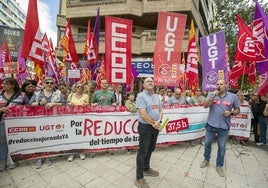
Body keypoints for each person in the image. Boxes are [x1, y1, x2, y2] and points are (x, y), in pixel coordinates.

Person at [200, 79, 240, 177]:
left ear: (226, 85)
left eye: (221, 84)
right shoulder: (211, 94)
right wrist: (213, 95)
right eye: (217, 84)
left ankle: (219, 165)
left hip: (224, 126)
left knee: (221, 147)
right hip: (211, 125)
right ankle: (206, 159)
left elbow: (237, 110)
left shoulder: (233, 96)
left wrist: (230, 113)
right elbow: (205, 106)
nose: (219, 85)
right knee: (208, 143)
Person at [29, 77, 65, 169]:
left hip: (53, 120)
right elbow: (30, 104)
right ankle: (39, 157)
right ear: (44, 84)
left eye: (51, 83)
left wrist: (53, 104)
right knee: (39, 138)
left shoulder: (58, 93)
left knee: (50, 138)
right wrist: (40, 104)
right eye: (47, 82)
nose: (49, 84)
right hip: (39, 119)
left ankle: (47, 156)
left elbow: (64, 103)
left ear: (54, 85)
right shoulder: (37, 93)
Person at [135, 77, 163, 188]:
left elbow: (160, 110)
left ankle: (146, 168)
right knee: (142, 152)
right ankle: (139, 177)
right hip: (145, 127)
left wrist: (159, 121)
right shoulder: (140, 96)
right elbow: (143, 114)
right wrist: (153, 123)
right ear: (144, 85)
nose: (150, 82)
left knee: (151, 148)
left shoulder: (156, 96)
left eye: (152, 81)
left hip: (155, 126)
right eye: (148, 81)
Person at [0, 77, 29, 171]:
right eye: (3, 83)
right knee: (3, 142)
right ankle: (2, 161)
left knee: (15, 141)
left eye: (6, 84)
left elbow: (28, 107)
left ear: (13, 85)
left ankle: (13, 160)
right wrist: (1, 109)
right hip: (2, 122)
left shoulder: (22, 95)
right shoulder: (0, 94)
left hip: (17, 122)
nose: (3, 85)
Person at [67, 82, 89, 161]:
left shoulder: (86, 96)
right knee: (72, 135)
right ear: (75, 88)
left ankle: (81, 152)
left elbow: (88, 105)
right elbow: (66, 104)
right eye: (78, 86)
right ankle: (71, 153)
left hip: (82, 118)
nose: (80, 88)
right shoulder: (71, 95)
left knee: (81, 135)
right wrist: (70, 104)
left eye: (81, 87)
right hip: (72, 118)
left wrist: (86, 104)